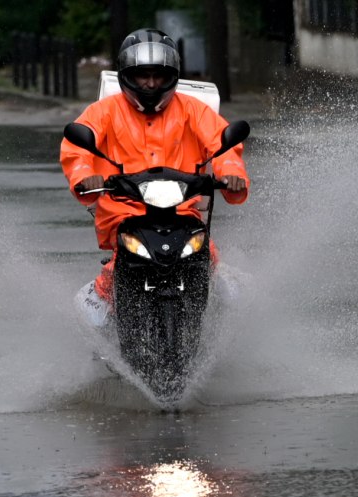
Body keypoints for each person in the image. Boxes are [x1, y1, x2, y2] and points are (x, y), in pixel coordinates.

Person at [60, 28, 250, 327]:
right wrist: (86, 176)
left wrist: (231, 174)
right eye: (142, 75)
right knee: (104, 295)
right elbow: (76, 148)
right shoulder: (103, 112)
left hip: (181, 209)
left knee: (208, 256)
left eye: (158, 76)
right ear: (126, 75)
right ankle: (102, 299)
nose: (150, 83)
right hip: (123, 212)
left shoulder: (193, 111)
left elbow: (223, 145)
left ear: (172, 75)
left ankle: (211, 305)